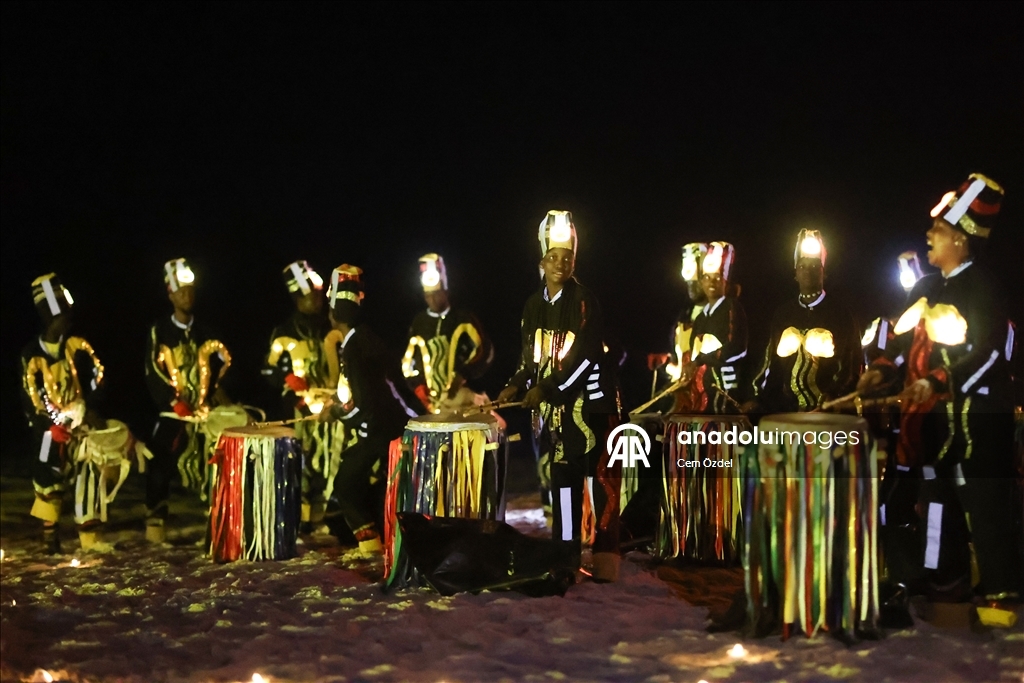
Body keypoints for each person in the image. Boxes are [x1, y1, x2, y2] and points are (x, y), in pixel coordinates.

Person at [858, 173, 1021, 613]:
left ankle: (999, 597)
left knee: (983, 511)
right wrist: (881, 369)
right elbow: (900, 342)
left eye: (941, 231)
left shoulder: (984, 289)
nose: (930, 235)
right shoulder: (927, 288)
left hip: (979, 426)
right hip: (932, 429)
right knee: (934, 509)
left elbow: (989, 353)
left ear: (963, 242)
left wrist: (937, 381)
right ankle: (938, 586)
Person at [496, 210, 622, 581]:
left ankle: (605, 557)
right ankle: (564, 555)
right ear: (542, 262)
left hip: (594, 405)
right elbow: (529, 356)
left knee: (600, 480)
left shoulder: (585, 300)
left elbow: (586, 354)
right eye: (554, 257)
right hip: (556, 410)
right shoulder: (533, 305)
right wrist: (517, 383)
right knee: (563, 480)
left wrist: (547, 388)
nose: (560, 264)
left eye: (567, 258)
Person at [321, 264, 424, 555]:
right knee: (366, 486)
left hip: (379, 431)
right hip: (389, 426)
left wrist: (337, 413)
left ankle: (370, 546)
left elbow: (366, 403)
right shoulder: (365, 339)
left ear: (333, 312)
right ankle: (377, 537)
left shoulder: (355, 348)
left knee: (345, 484)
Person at [144, 258, 234, 543]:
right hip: (175, 411)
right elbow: (153, 372)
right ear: (170, 295)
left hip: (205, 412)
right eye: (181, 291)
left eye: (190, 290)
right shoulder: (160, 330)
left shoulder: (206, 332)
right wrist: (173, 402)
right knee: (160, 455)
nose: (187, 296)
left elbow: (225, 362)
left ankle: (216, 522)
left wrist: (218, 390)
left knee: (221, 454)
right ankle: (155, 526)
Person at [21, 274, 107, 553]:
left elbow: (99, 376)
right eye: (60, 315)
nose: (67, 321)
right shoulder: (31, 355)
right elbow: (30, 396)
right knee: (47, 467)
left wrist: (90, 407)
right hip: (50, 427)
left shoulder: (78, 347)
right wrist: (47, 425)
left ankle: (89, 538)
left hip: (80, 426)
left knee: (89, 469)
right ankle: (50, 535)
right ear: (48, 317)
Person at [263, 260, 350, 530]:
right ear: (296, 299)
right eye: (308, 296)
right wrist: (286, 378)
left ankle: (326, 514)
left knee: (332, 453)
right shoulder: (284, 332)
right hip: (298, 406)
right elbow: (268, 370)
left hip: (330, 404)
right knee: (300, 457)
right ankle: (297, 517)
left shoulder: (332, 327)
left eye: (317, 294)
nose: (315, 300)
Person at [749, 230, 861, 413]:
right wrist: (756, 397)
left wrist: (835, 394)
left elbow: (852, 361)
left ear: (824, 273)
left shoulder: (840, 313)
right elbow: (771, 361)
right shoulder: (784, 313)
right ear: (795, 274)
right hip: (789, 409)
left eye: (815, 266)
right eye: (802, 266)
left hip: (830, 409)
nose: (808, 270)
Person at [402, 253, 493, 413]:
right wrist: (418, 387)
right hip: (432, 405)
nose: (433, 299)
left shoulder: (463, 319)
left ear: (446, 291)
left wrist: (462, 374)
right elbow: (409, 362)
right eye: (429, 295)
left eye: (437, 294)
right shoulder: (419, 323)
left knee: (499, 426)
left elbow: (485, 350)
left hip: (466, 400)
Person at [680, 242, 748, 414]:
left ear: (725, 282)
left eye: (717, 278)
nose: (712, 282)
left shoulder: (732, 308)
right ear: (701, 281)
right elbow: (693, 352)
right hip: (702, 392)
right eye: (707, 277)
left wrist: (701, 360)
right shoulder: (701, 317)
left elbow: (736, 348)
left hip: (727, 389)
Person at [647, 242, 709, 413]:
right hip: (683, 389)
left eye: (696, 282)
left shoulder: (720, 313)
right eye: (689, 284)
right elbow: (679, 357)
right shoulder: (685, 313)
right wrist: (667, 360)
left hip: (706, 392)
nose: (692, 288)